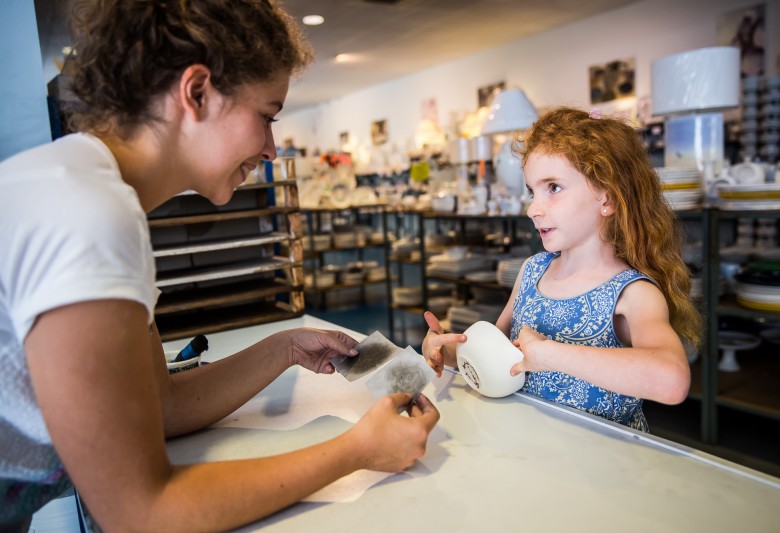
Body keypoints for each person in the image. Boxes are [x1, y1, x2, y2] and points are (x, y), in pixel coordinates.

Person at [0, 1, 439, 531]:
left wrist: (284, 347)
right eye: (266, 117)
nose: (273, 149)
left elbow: (160, 409)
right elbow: (141, 513)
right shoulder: (88, 215)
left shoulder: (91, 188)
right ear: (197, 92)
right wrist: (356, 451)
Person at [422, 106, 701, 432]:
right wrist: (447, 350)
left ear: (607, 198)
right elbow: (497, 358)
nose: (533, 209)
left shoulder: (633, 293)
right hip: (531, 450)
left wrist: (551, 355)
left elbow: (672, 381)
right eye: (532, 191)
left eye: (553, 187)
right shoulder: (531, 272)